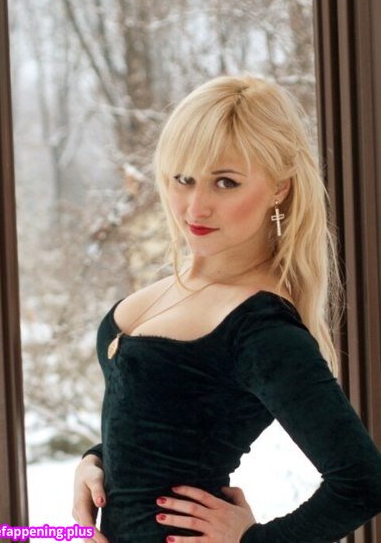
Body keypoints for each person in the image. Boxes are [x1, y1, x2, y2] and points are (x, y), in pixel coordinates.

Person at [72, 75, 381, 543]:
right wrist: (95, 461)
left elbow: (362, 483)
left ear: (279, 188)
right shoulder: (181, 288)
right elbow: (164, 422)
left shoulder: (261, 329)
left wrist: (253, 541)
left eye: (225, 182)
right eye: (183, 179)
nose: (195, 207)